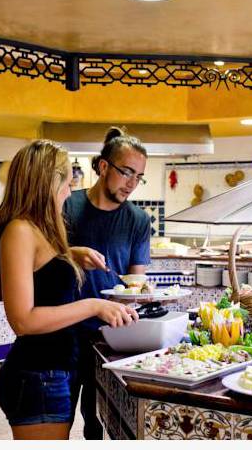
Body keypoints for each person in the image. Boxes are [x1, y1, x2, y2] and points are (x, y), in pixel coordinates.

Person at [0, 139, 138, 440]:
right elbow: (23, 320)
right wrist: (94, 305)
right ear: (47, 182)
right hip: (36, 375)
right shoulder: (19, 230)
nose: (70, 192)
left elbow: (39, 271)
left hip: (51, 372)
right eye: (67, 183)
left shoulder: (36, 229)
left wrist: (70, 255)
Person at [63, 127, 151, 440]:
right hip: (63, 332)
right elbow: (39, 259)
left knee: (98, 418)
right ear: (103, 166)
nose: (132, 183)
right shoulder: (67, 206)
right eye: (126, 172)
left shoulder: (138, 220)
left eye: (139, 177)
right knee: (59, 417)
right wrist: (70, 254)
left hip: (109, 337)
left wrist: (142, 294)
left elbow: (136, 282)